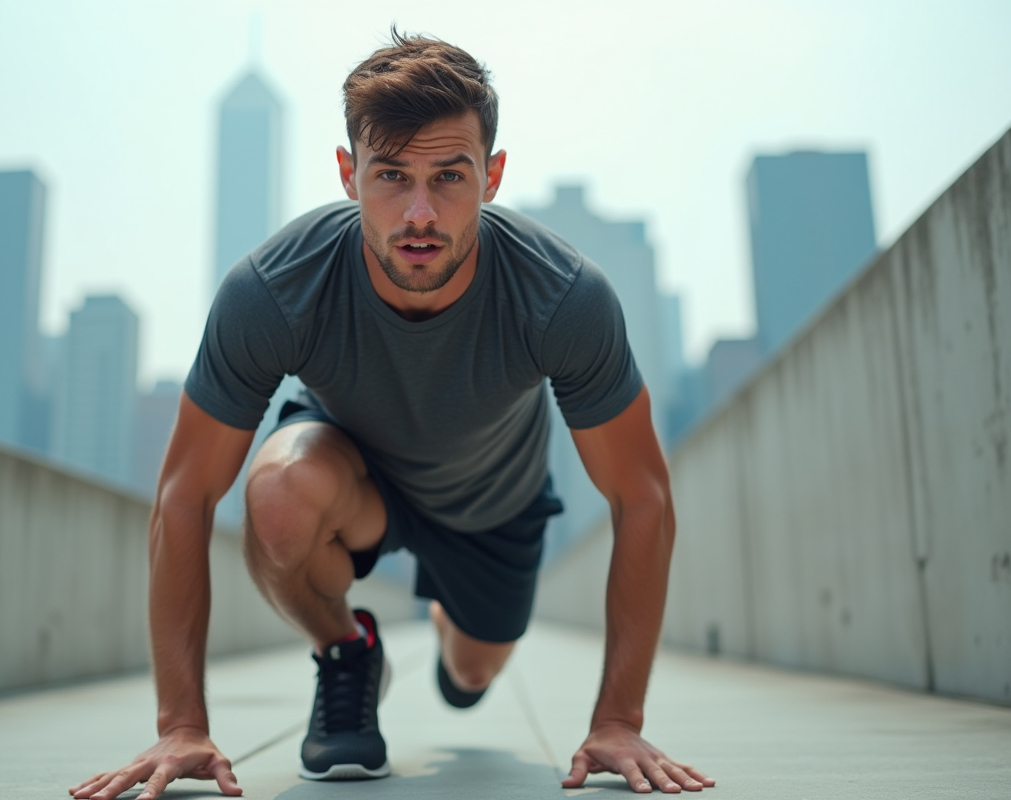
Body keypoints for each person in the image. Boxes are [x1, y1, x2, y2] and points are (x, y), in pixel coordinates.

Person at [70, 29, 714, 800]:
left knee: (473, 674)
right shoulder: (275, 289)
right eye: (390, 175)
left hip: (492, 510)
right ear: (347, 174)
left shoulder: (563, 298)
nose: (419, 213)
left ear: (493, 176)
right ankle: (347, 648)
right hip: (354, 477)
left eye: (449, 176)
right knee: (274, 499)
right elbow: (185, 491)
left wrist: (617, 718)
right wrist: (181, 723)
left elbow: (642, 497)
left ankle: (448, 620)